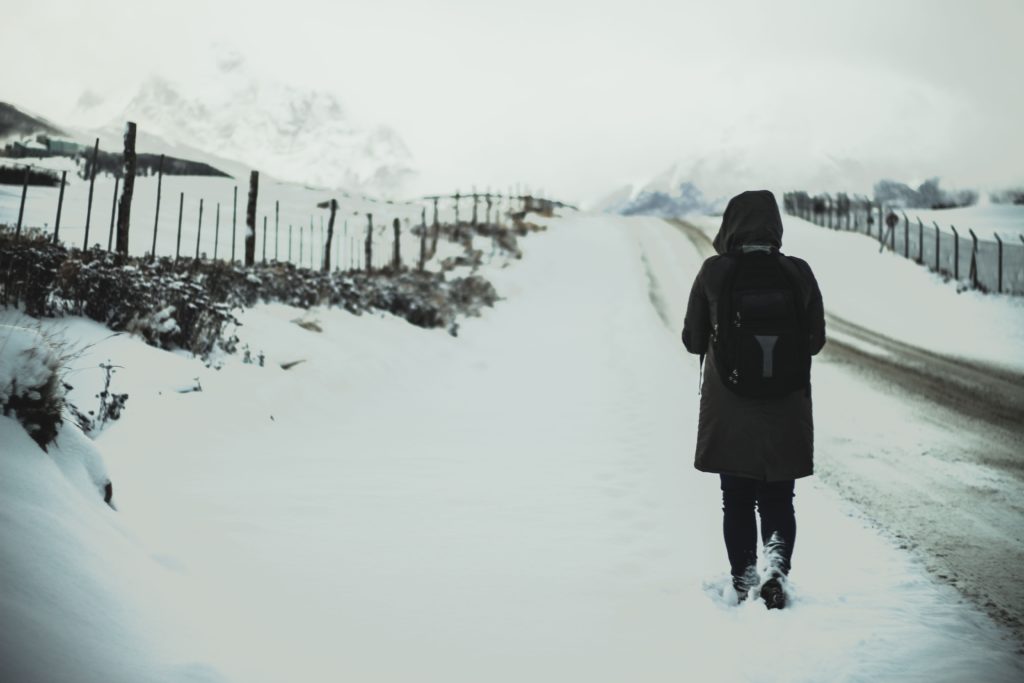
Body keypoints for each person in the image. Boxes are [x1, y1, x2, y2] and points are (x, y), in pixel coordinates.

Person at [681, 190, 825, 609]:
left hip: (730, 407)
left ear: (731, 225)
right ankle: (775, 570)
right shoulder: (798, 272)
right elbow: (814, 341)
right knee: (779, 497)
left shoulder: (714, 272)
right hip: (787, 405)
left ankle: (744, 577)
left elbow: (693, 341)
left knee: (737, 497)